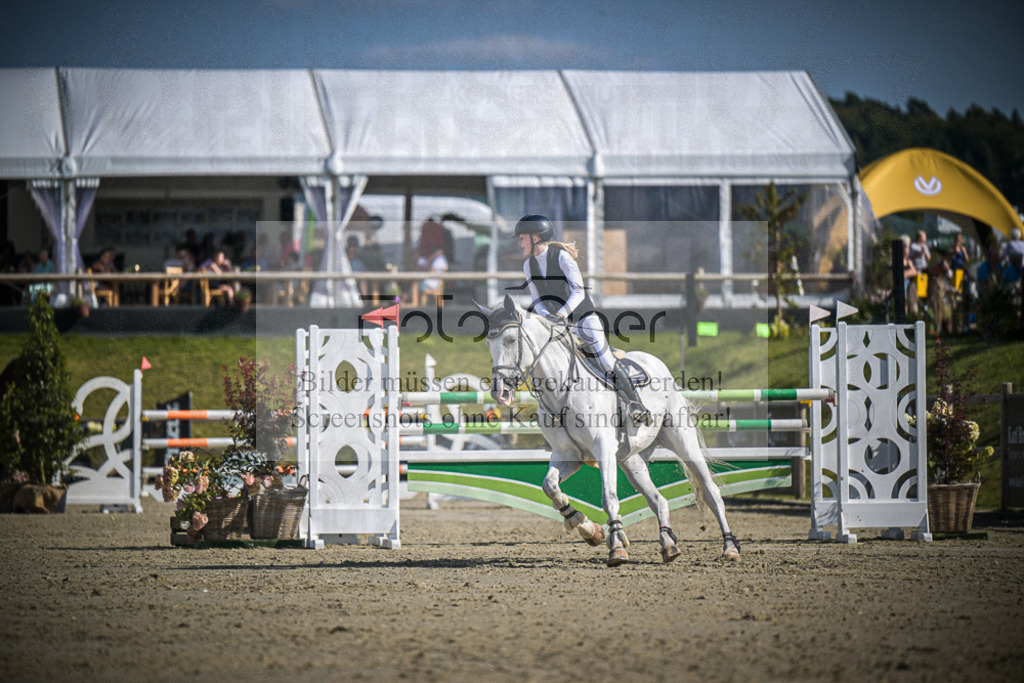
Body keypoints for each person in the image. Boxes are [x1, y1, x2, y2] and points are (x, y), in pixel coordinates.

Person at [514, 214, 651, 426]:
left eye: (522, 237)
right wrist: (547, 318)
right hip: (558, 325)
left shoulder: (561, 257)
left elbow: (578, 292)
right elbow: (537, 300)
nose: (519, 242)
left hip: (584, 319)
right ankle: (556, 423)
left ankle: (637, 405)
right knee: (550, 365)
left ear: (536, 238)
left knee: (606, 361)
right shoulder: (528, 265)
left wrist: (560, 314)